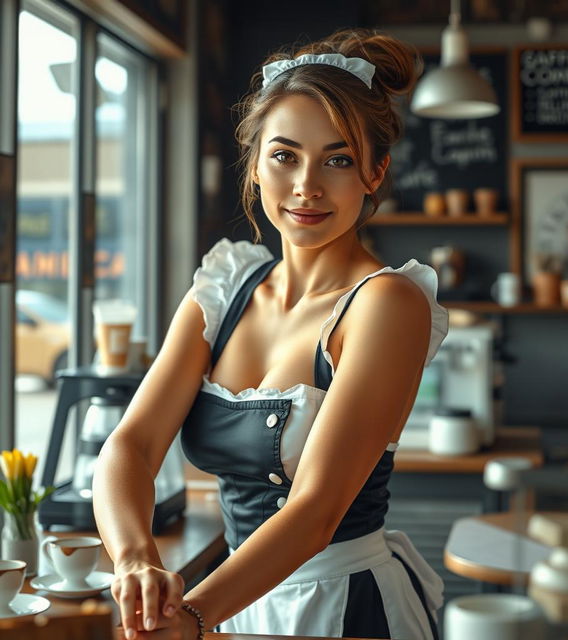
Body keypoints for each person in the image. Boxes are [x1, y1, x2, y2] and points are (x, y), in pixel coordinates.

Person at [93, 27, 449, 640]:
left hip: (340, 607)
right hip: (237, 600)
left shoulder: (385, 304)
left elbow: (314, 512)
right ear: (255, 164)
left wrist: (194, 616)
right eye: (285, 155)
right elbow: (130, 447)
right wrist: (135, 560)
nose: (307, 186)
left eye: (338, 159)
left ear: (374, 172)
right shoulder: (225, 287)